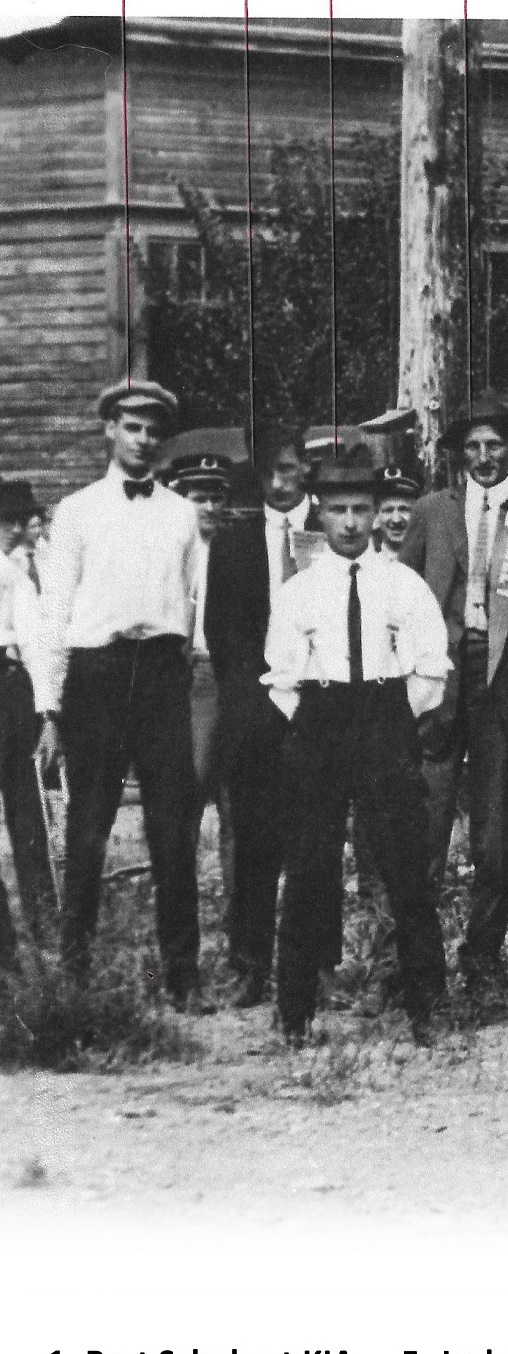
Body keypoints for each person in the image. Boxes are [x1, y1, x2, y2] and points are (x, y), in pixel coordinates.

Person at [264, 451, 450, 1044]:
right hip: (320, 721)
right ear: (319, 511)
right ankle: (295, 1009)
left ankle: (427, 1001)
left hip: (384, 716)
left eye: (362, 510)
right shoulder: (300, 590)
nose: (350, 523)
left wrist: (392, 715)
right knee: (311, 865)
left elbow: (430, 670)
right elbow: (282, 676)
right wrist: (319, 718)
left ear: (377, 513)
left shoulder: (403, 584)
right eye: (338, 510)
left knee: (405, 866)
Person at [34, 380, 205, 1005]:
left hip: (160, 672)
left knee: (173, 829)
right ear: (110, 429)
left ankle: (182, 978)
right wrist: (49, 705)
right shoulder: (77, 511)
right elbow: (54, 611)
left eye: (154, 430)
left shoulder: (182, 513)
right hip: (97, 675)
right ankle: (74, 970)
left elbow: (192, 601)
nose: (144, 440)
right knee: (89, 825)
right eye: (132, 427)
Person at [398, 391, 508, 1001]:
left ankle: (483, 958)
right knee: (429, 821)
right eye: (474, 447)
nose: (485, 456)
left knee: (495, 831)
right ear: (458, 453)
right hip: (441, 677)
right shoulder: (430, 513)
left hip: (507, 679)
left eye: (496, 446)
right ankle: (417, 961)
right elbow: (407, 604)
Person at [204, 428, 318, 1007]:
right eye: (270, 471)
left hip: (320, 706)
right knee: (253, 839)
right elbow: (219, 630)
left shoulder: (330, 531)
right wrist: (250, 700)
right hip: (256, 709)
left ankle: (317, 966)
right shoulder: (236, 537)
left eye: (290, 469)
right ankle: (250, 965)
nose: (280, 482)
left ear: (305, 469)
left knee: (315, 839)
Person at [159, 430, 238, 841]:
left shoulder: (238, 547)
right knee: (189, 782)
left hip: (237, 674)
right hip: (192, 674)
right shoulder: (167, 548)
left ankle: (238, 899)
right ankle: (178, 892)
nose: (209, 506)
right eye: (198, 498)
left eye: (217, 497)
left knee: (236, 792)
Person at [0, 479, 56, 957]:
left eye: (10, 523)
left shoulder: (13, 575)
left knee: (25, 806)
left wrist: (45, 709)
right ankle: (3, 948)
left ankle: (45, 924)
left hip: (8, 686)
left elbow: (35, 643)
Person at [373, 471, 420, 559]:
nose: (396, 520)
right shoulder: (365, 564)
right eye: (388, 510)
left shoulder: (431, 562)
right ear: (376, 515)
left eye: (404, 509)